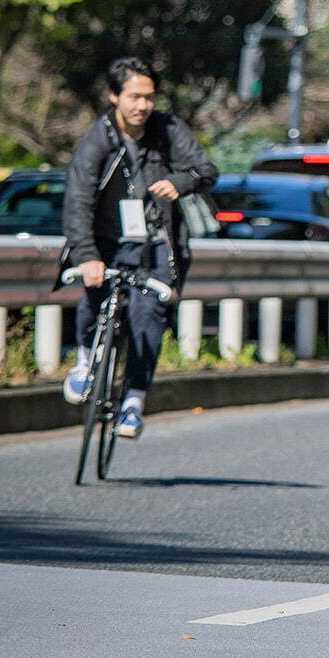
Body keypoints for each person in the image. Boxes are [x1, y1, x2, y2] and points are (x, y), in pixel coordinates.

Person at [59, 57, 217, 439]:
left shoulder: (168, 129)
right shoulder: (98, 139)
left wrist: (180, 181)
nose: (142, 106)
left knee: (149, 315)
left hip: (157, 242)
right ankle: (84, 362)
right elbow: (78, 199)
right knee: (94, 294)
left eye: (148, 97)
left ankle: (133, 401)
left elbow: (205, 170)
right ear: (115, 96)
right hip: (107, 241)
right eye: (133, 96)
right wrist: (87, 255)